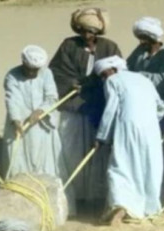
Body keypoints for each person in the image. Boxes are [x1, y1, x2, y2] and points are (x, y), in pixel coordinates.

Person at [49, 8, 121, 208]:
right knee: (72, 151)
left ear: (97, 33)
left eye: (90, 32)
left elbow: (118, 74)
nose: (86, 35)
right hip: (73, 107)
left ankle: (98, 198)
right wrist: (72, 83)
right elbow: (56, 71)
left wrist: (92, 85)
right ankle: (75, 197)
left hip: (99, 106)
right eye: (83, 31)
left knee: (99, 152)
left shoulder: (110, 47)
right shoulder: (69, 45)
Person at [93, 56, 164, 224]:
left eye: (103, 74)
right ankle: (150, 210)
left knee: (122, 165)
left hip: (127, 126)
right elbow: (161, 106)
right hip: (151, 128)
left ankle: (120, 210)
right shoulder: (143, 79)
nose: (104, 78)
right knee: (149, 166)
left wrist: (101, 137)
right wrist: (149, 120)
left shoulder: (112, 80)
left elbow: (111, 109)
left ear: (112, 70)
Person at [126, 17, 164, 206]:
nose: (141, 42)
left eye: (144, 38)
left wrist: (140, 77)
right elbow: (126, 69)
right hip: (144, 111)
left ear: (153, 39)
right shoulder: (139, 53)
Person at [2, 45, 66, 181]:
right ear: (23, 63)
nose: (32, 73)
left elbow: (51, 97)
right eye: (29, 70)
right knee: (20, 160)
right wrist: (16, 119)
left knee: (44, 162)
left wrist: (40, 111)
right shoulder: (12, 75)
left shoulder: (46, 73)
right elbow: (12, 98)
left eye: (35, 70)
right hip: (20, 124)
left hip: (43, 123)